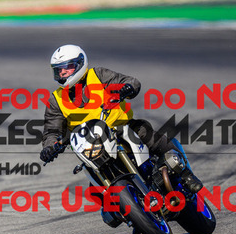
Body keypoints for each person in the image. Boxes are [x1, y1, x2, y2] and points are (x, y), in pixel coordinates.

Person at [39, 44, 203, 192]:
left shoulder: (98, 75)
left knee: (147, 134)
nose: (62, 73)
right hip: (91, 146)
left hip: (121, 128)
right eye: (58, 70)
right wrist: (49, 148)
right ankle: (120, 210)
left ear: (80, 64)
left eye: (66, 68)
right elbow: (51, 131)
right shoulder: (55, 100)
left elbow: (129, 81)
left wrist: (128, 87)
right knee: (94, 190)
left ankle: (186, 175)